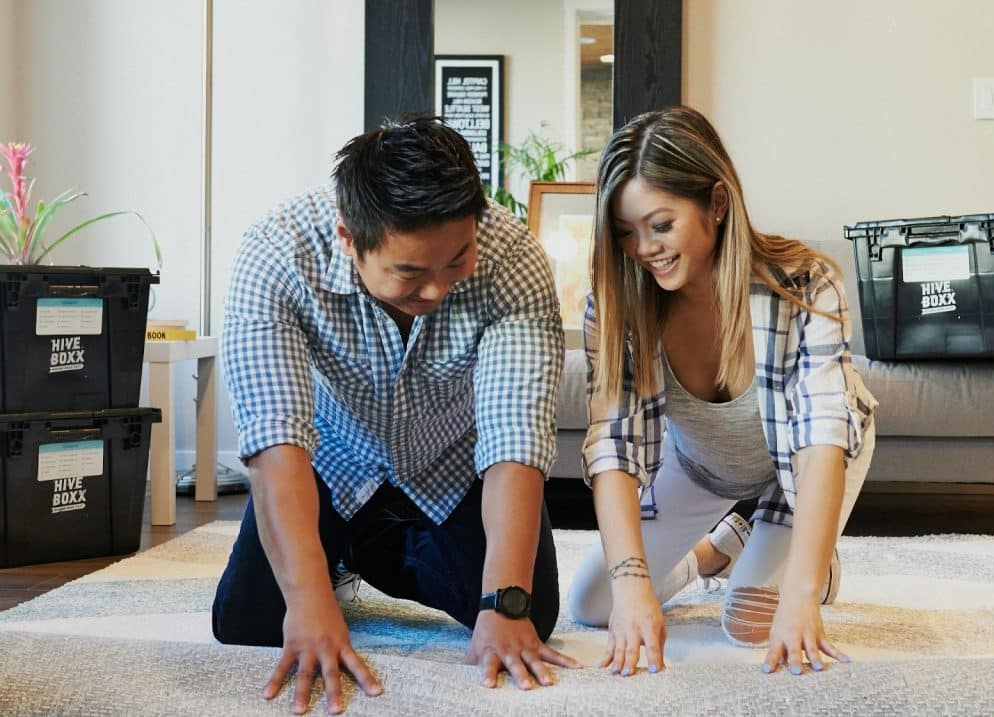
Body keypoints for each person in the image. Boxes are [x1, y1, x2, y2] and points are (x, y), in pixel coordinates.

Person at [212, 117, 580, 714]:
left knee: (525, 615)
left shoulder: (512, 259)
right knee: (250, 622)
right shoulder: (275, 255)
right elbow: (275, 436)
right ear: (349, 239)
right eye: (410, 273)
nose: (435, 291)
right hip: (331, 464)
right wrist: (307, 603)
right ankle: (336, 555)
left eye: (455, 262)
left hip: (451, 466)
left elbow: (515, 434)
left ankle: (360, 554)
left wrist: (503, 605)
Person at [566, 106, 877, 678]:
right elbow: (613, 444)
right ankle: (725, 544)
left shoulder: (805, 284)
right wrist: (634, 586)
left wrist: (803, 593)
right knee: (592, 604)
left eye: (660, 225)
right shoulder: (617, 306)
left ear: (716, 202)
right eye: (626, 232)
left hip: (805, 468)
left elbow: (821, 436)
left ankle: (815, 560)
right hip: (703, 464)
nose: (644, 249)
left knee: (751, 623)